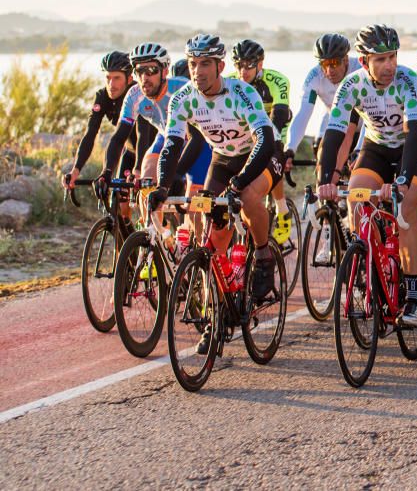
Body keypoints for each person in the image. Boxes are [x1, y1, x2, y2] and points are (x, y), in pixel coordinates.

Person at [151, 34, 284, 318]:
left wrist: (239, 182)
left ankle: (263, 254)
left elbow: (265, 139)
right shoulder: (182, 98)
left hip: (259, 156)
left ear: (220, 67)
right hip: (222, 160)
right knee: (214, 232)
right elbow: (173, 144)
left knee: (247, 198)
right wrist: (163, 186)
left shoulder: (242, 93)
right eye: (193, 64)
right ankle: (220, 308)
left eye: (205, 64)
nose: (198, 71)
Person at [317, 25, 417, 326]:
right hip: (378, 146)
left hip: (416, 144)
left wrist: (402, 180)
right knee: (356, 196)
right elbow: (335, 134)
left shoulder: (408, 80)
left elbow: (414, 133)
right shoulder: (351, 86)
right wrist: (326, 180)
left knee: (407, 205)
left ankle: (411, 296)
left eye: (392, 57)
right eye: (380, 59)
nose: (389, 66)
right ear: (363, 61)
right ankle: (370, 262)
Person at [98, 43, 210, 208]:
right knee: (146, 184)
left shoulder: (182, 89)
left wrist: (177, 174)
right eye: (139, 71)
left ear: (164, 71)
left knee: (195, 208)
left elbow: (197, 138)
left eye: (151, 71)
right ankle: (153, 232)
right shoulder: (134, 95)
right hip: (165, 137)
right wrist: (106, 173)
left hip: (198, 143)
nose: (144, 78)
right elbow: (119, 137)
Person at [229, 39, 295, 247]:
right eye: (239, 65)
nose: (243, 71)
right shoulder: (229, 81)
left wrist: (270, 142)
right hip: (245, 132)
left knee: (271, 156)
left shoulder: (277, 81)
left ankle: (282, 208)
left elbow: (280, 113)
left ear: (260, 64)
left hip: (273, 128)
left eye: (249, 65)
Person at [64, 51, 151, 192]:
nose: (111, 84)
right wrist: (75, 171)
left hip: (150, 151)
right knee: (118, 196)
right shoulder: (102, 97)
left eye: (117, 78)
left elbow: (143, 134)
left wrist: (138, 170)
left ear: (129, 79)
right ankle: (121, 214)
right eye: (108, 78)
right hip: (129, 151)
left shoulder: (139, 95)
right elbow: (90, 134)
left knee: (146, 200)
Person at [285, 33, 361, 173]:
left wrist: (359, 148)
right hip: (335, 124)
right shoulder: (315, 77)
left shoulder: (360, 70)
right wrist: (290, 149)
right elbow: (304, 113)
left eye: (334, 63)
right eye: (324, 64)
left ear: (346, 59)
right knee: (321, 159)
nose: (329, 71)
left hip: (364, 126)